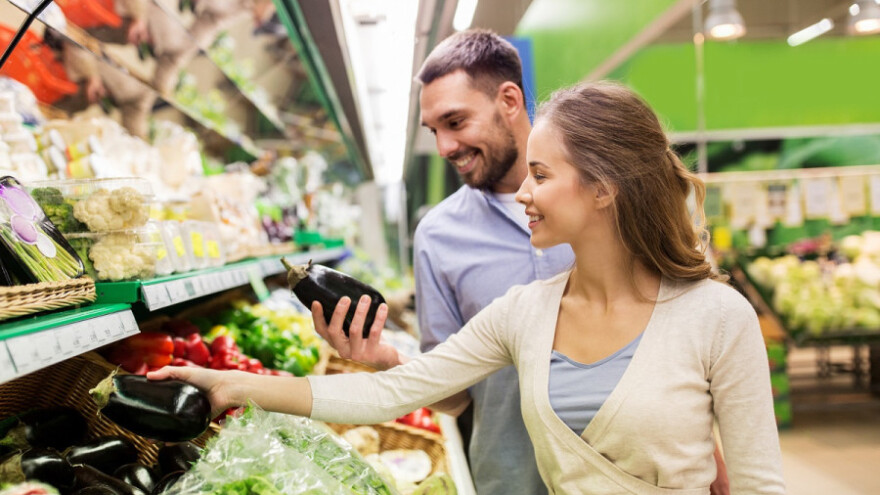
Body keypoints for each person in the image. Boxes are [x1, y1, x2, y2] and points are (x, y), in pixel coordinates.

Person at [150, 80, 785, 494]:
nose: (525, 193)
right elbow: (393, 393)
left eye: (541, 174)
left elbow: (759, 484)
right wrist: (229, 384)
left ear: (603, 187)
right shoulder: (526, 313)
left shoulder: (716, 317)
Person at [320, 29, 726, 495]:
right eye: (434, 131)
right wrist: (386, 360)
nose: (444, 147)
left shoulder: (615, 204)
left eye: (455, 122)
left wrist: (711, 456)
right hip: (511, 480)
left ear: (509, 100)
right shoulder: (437, 237)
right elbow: (454, 394)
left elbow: (687, 347)